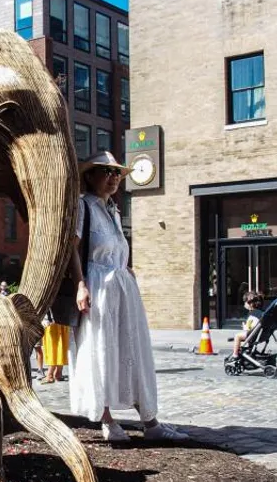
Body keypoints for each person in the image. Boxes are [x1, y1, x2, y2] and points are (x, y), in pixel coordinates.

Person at [68, 151, 188, 443]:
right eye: (106, 172)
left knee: (131, 350)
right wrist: (80, 285)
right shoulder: (84, 207)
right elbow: (72, 248)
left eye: (116, 173)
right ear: (90, 176)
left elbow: (115, 247)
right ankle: (107, 419)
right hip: (98, 286)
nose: (113, 178)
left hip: (122, 287)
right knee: (102, 349)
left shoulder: (114, 210)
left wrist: (127, 268)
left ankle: (150, 420)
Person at [231, 290, 265, 358]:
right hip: (262, 335)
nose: (244, 304)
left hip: (254, 335)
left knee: (237, 336)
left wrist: (244, 326)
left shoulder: (252, 314)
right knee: (250, 334)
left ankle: (235, 354)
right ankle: (251, 349)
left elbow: (249, 327)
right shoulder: (261, 312)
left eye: (245, 302)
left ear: (250, 304)